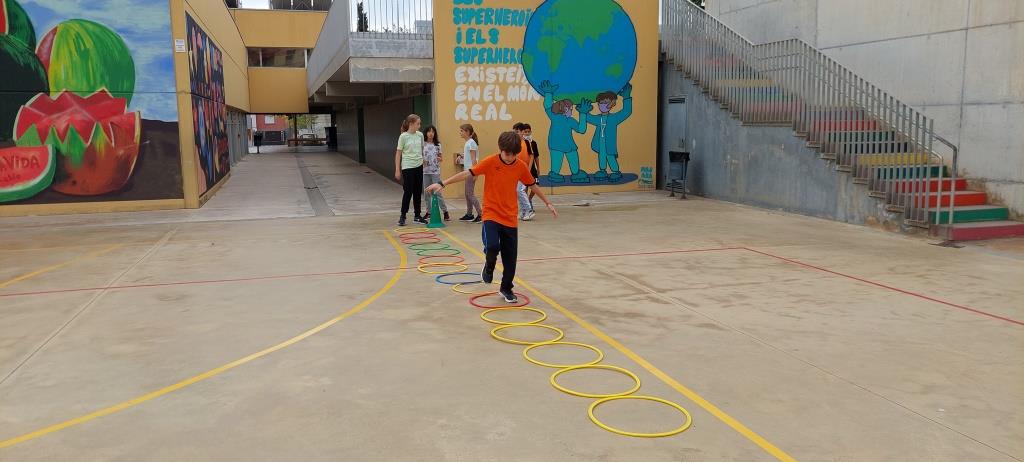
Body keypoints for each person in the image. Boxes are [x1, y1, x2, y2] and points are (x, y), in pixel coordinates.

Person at [425, 132, 558, 303]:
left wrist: (548, 203)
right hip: (491, 213)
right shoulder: (490, 162)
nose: (509, 158)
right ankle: (489, 266)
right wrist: (442, 183)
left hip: (510, 217)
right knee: (493, 245)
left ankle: (506, 288)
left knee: (510, 259)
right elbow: (468, 173)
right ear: (501, 149)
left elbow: (532, 185)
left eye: (513, 155)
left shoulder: (521, 166)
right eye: (507, 154)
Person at [539, 80, 591, 184]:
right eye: (570, 109)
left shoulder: (570, 120)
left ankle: (575, 173)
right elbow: (548, 106)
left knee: (572, 157)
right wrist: (548, 93)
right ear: (564, 109)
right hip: (557, 144)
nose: (572, 111)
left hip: (568, 144)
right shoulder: (555, 117)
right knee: (557, 160)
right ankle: (555, 174)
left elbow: (581, 130)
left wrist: (583, 114)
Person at [583, 83, 633, 182]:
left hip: (609, 144)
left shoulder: (614, 118)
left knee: (610, 156)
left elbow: (626, 111)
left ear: (612, 104)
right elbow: (589, 118)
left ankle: (616, 171)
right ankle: (602, 170)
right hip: (599, 143)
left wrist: (626, 97)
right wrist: (584, 112)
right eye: (600, 103)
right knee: (601, 156)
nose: (602, 105)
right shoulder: (598, 118)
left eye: (605, 102)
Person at [395, 114, 425, 226]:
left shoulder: (420, 135)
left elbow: (421, 149)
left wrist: (423, 159)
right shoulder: (403, 136)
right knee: (408, 192)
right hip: (408, 167)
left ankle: (417, 215)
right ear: (411, 124)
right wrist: (397, 169)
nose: (419, 125)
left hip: (419, 166)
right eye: (418, 123)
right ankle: (403, 216)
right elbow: (398, 154)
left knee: (418, 191)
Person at [420, 126, 450, 221]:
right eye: (429, 131)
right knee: (427, 193)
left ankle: (445, 212)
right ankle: (428, 212)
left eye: (433, 132)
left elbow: (441, 158)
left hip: (435, 172)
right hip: (425, 172)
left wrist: (439, 158)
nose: (431, 133)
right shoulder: (423, 144)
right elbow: (420, 156)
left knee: (437, 192)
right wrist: (423, 161)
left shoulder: (438, 145)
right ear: (426, 133)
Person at [457, 124, 483, 223]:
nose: (460, 132)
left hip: (471, 172)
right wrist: (461, 156)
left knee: (470, 194)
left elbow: (474, 159)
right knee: (467, 194)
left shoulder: (471, 143)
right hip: (468, 172)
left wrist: (475, 173)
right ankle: (469, 214)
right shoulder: (468, 142)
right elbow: (468, 154)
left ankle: (481, 214)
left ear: (467, 132)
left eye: (461, 131)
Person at [513, 122, 537, 221]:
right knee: (517, 191)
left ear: (522, 132)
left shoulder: (527, 143)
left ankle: (529, 210)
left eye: (517, 131)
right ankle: (523, 212)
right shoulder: (515, 144)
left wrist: (528, 169)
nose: (515, 133)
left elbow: (532, 156)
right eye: (514, 132)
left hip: (525, 170)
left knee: (520, 190)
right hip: (516, 171)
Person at [521, 123, 541, 219]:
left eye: (528, 132)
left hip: (532, 169)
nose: (527, 133)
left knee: (535, 186)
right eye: (525, 132)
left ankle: (529, 199)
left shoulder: (533, 143)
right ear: (522, 132)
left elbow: (535, 156)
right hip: (524, 168)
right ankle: (526, 207)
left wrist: (538, 168)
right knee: (524, 188)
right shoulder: (522, 144)